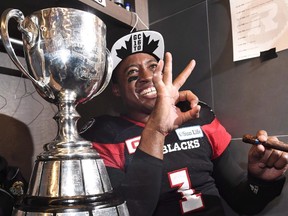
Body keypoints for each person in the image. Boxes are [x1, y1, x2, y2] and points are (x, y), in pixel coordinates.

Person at [80, 30, 288, 216]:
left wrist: (262, 181)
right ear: (116, 89)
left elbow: (245, 204)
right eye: (132, 74)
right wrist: (157, 129)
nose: (148, 77)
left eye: (154, 67)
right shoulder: (105, 136)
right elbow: (129, 211)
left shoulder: (199, 116)